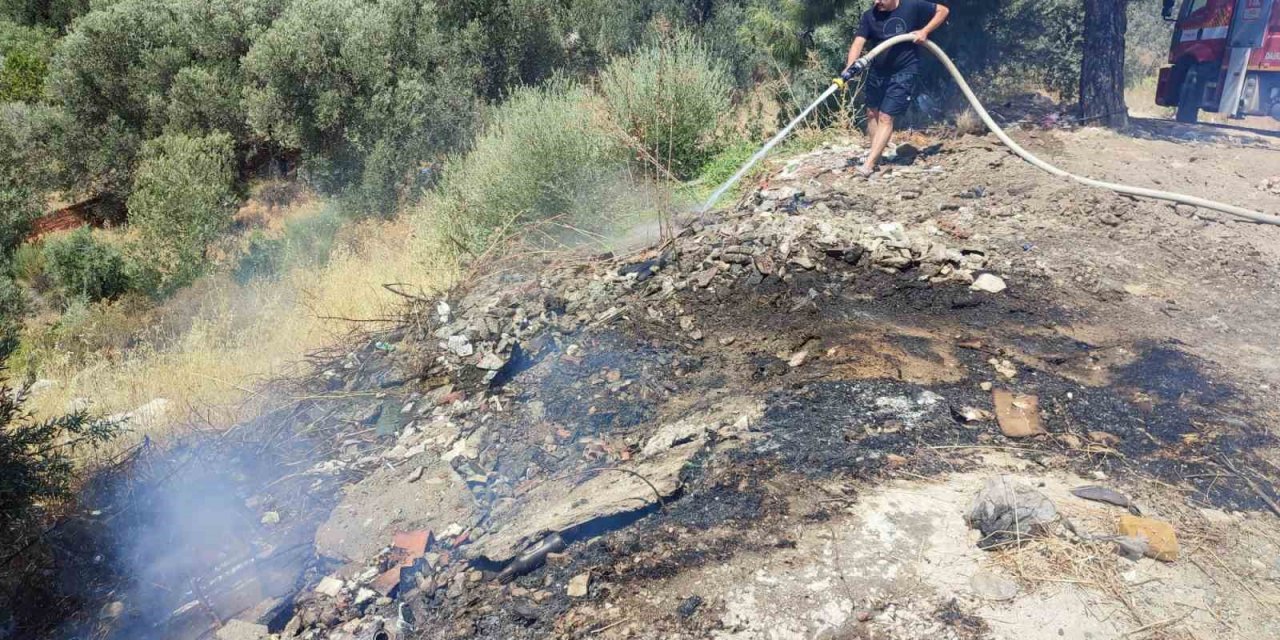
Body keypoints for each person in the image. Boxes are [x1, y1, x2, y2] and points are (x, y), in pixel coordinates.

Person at [841, 0, 950, 177]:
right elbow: (858, 42)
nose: (877, 2)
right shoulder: (870, 16)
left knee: (886, 116)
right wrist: (849, 67)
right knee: (871, 113)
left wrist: (925, 31)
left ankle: (869, 164)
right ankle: (878, 155)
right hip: (878, 71)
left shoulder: (913, 6)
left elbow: (943, 11)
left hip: (904, 71)